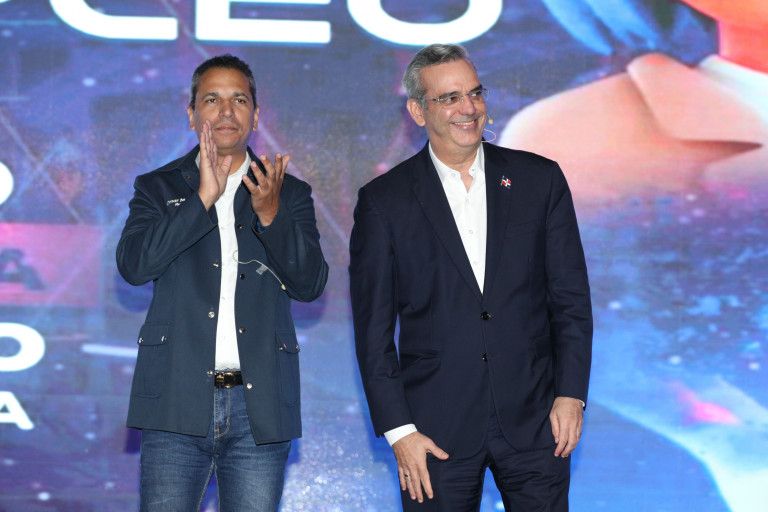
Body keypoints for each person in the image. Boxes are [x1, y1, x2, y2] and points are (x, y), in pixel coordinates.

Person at [349, 44, 593, 511]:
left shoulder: (538, 180)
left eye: (475, 93)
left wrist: (571, 395)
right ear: (417, 111)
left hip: (538, 420)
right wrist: (400, 431)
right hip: (433, 432)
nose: (469, 108)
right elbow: (373, 332)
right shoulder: (384, 201)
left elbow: (570, 300)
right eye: (450, 98)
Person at [116, 54, 328, 511]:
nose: (226, 111)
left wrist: (271, 215)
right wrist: (202, 199)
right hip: (174, 401)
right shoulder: (156, 187)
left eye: (239, 100)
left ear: (256, 114)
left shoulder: (288, 192)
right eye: (212, 99)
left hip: (259, 407)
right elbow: (134, 267)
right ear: (192, 114)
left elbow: (310, 283)